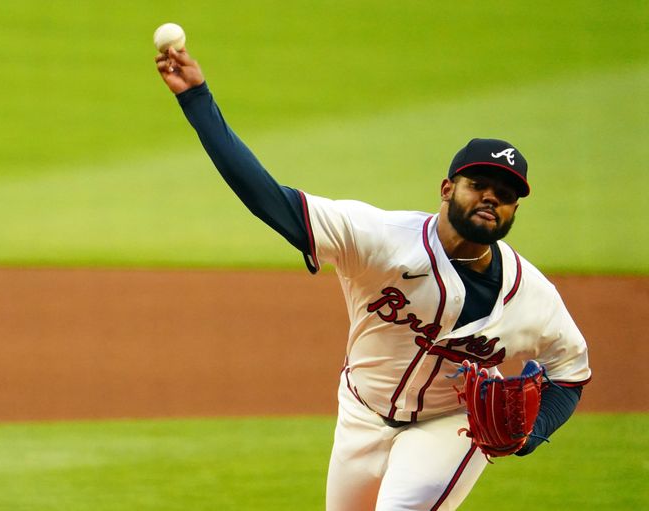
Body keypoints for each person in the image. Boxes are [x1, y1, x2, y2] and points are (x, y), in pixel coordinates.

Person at [155, 47, 591, 511]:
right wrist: (197, 99)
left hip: (450, 426)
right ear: (447, 190)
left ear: (514, 211)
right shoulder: (379, 238)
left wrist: (530, 434)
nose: (490, 198)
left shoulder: (532, 295)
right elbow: (269, 199)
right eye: (478, 185)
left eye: (504, 195)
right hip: (360, 410)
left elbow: (571, 371)